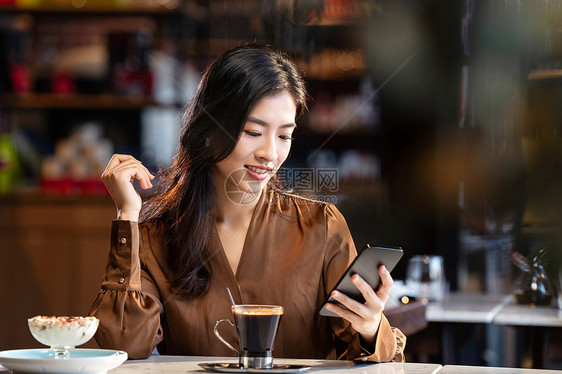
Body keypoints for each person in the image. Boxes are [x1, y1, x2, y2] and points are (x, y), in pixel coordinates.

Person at [89, 44, 406, 361]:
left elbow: (368, 355)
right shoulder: (154, 237)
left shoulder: (321, 226)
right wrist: (127, 214)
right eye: (253, 131)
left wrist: (370, 326)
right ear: (209, 132)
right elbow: (126, 342)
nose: (270, 153)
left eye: (284, 136)